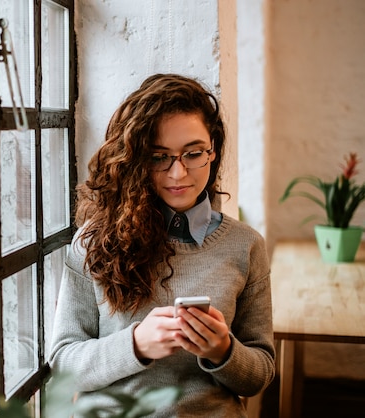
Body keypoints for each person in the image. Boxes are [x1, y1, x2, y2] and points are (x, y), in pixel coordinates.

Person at [48, 74, 275, 417]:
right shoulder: (94, 242)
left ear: (213, 151)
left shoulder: (245, 247)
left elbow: (259, 376)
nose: (178, 173)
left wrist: (223, 351)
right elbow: (64, 363)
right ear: (137, 160)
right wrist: (136, 345)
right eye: (159, 157)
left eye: (193, 153)